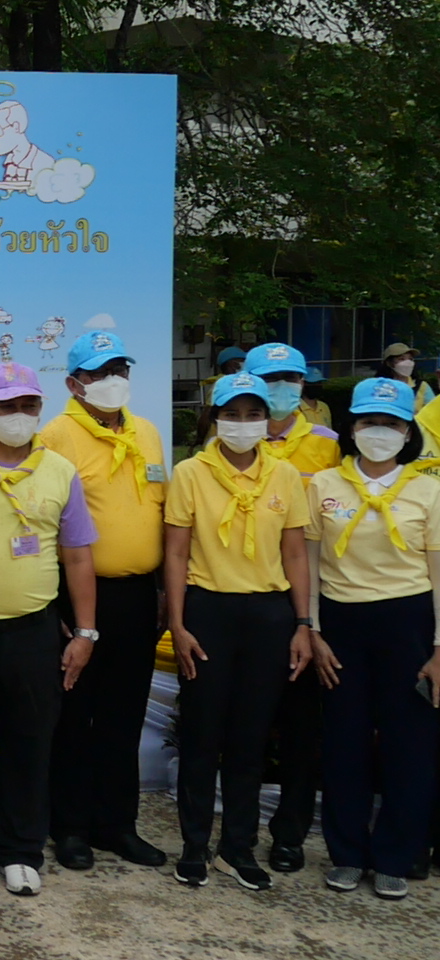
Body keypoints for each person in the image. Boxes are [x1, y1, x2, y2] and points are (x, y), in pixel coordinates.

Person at [0, 362, 97, 898]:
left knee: (30, 740)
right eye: (6, 406)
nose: (19, 415)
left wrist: (85, 632)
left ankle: (22, 849)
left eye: (29, 405)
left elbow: (78, 557)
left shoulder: (60, 471)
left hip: (33, 629)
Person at [165, 372, 313, 890]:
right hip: (208, 610)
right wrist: (177, 623)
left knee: (250, 736)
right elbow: (176, 552)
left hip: (269, 614)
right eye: (232, 414)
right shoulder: (190, 473)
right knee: (202, 733)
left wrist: (303, 622)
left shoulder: (285, 475)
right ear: (215, 419)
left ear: (267, 419)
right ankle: (194, 845)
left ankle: (238, 848)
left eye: (253, 415)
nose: (243, 424)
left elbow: (295, 553)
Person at [305, 377, 440, 900]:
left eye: (390, 424)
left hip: (409, 622)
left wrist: (438, 648)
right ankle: (346, 854)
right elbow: (310, 563)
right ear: (352, 428)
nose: (378, 432)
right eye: (368, 422)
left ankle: (395, 855)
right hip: (341, 621)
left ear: (407, 433)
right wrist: (312, 629)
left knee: (410, 745)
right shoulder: (324, 484)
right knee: (345, 741)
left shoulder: (428, 489)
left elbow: (438, 573)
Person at [42, 330, 170, 870]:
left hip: (138, 595)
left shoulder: (147, 432)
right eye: (99, 373)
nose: (112, 381)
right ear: (75, 383)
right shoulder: (56, 436)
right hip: (80, 597)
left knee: (125, 714)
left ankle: (117, 824)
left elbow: (158, 511)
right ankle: (69, 826)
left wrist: (161, 589)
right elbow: (44, 522)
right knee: (75, 716)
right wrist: (60, 611)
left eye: (120, 369)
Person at [246, 342, 339, 873]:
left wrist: (311, 617)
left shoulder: (326, 443)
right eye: (270, 379)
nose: (281, 388)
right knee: (248, 719)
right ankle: (237, 829)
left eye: (291, 379)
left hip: (309, 597)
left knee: (302, 724)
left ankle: (289, 833)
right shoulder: (229, 437)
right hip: (247, 594)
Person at [378, 343, 435, 411]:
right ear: (389, 363)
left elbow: (433, 410)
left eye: (410, 359)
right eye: (401, 359)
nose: (407, 363)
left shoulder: (422, 386)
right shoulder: (379, 386)